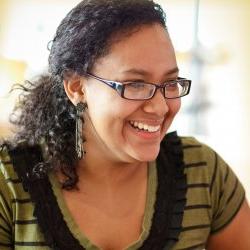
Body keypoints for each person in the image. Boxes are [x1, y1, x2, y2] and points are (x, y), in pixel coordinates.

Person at [0, 0, 250, 249]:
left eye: (170, 82)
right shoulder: (8, 182)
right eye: (135, 84)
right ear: (77, 87)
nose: (161, 107)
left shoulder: (203, 172)